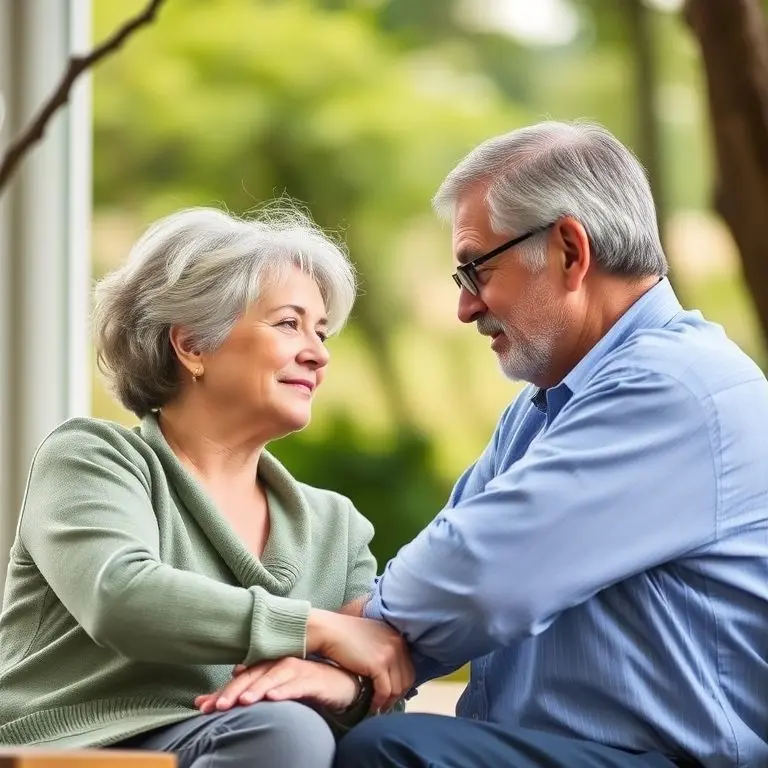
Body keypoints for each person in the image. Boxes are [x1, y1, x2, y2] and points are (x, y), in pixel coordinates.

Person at [327, 121, 768, 767]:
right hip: (577, 753)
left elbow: (475, 582)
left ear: (568, 249)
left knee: (390, 752)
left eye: (476, 269)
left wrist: (324, 643)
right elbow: (443, 568)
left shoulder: (674, 388)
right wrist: (351, 657)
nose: (466, 308)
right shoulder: (546, 407)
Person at [0, 205, 413, 767]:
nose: (319, 353)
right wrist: (315, 630)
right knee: (289, 733)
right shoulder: (92, 458)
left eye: (320, 331)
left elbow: (380, 685)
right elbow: (121, 598)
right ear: (193, 345)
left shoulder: (335, 526)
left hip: (256, 739)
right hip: (71, 747)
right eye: (290, 323)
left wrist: (348, 689)